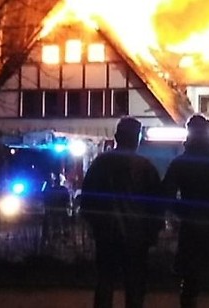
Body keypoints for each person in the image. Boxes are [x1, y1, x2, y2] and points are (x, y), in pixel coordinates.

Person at [79, 117, 164, 308]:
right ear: (137, 138)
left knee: (105, 282)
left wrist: (95, 225)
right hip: (136, 237)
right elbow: (157, 204)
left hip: (106, 234)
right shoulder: (145, 167)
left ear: (117, 137)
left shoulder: (100, 164)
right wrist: (153, 232)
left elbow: (87, 199)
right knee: (134, 285)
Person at [163, 114, 209, 308]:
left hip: (193, 228)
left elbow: (166, 195)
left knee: (190, 283)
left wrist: (184, 212)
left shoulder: (181, 162)